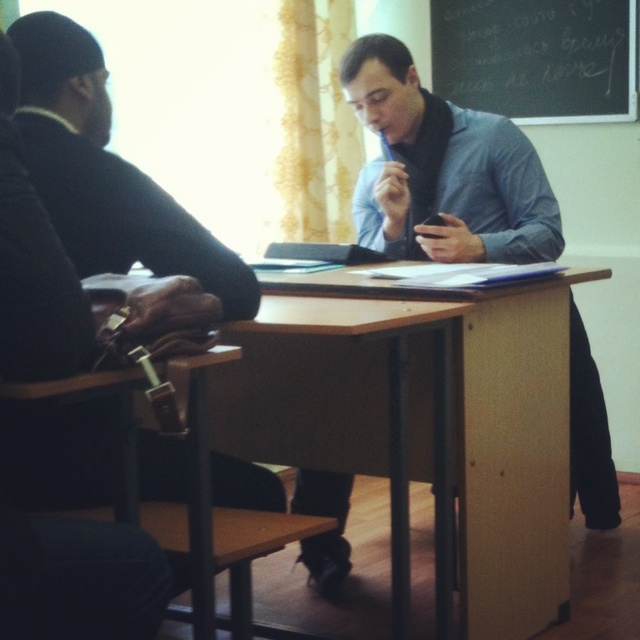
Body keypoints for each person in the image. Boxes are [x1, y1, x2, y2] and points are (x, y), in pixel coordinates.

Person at [4, 11, 286, 528]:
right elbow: (235, 287)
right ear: (84, 84)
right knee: (259, 493)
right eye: (106, 82)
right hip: (66, 454)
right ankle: (130, 581)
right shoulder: (97, 173)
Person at [338, 33, 621, 530]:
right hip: (433, 325)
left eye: (379, 98)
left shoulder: (493, 136)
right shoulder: (374, 176)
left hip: (520, 316)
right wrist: (393, 226)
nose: (370, 117)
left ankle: (567, 515)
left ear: (412, 78)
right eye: (357, 107)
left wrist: (480, 247)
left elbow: (548, 233)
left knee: (567, 412)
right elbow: (365, 267)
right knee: (342, 398)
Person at [0, 29, 172, 639]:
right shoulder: (85, 167)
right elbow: (60, 336)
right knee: (142, 560)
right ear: (85, 83)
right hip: (50, 455)